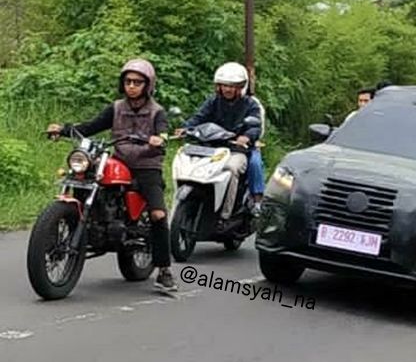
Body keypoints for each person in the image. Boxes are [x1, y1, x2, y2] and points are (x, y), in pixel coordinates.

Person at [46, 59, 177, 292]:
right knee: (85, 177)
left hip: (147, 166)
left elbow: (164, 133)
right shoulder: (116, 108)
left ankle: (164, 271)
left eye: (137, 82)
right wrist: (63, 130)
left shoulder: (157, 111)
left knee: (157, 214)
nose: (132, 86)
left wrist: (160, 139)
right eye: (128, 81)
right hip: (119, 161)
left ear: (148, 85)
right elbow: (90, 127)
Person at [177, 62, 263, 229]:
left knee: (231, 169)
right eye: (224, 85)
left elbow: (256, 126)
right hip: (212, 148)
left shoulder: (251, 105)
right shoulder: (213, 101)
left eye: (232, 86)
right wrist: (186, 128)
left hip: (236, 150)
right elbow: (199, 117)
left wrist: (246, 136)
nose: (227, 89)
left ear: (241, 87)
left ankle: (225, 215)